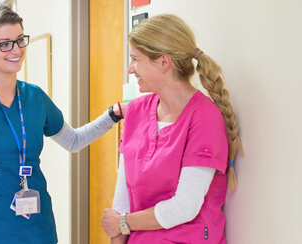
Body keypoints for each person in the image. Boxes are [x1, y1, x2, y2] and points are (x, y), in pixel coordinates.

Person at [0, 3, 124, 243]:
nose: (16, 49)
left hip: (38, 224)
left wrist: (112, 114)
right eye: (4, 43)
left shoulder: (34, 97)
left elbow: (73, 141)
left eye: (20, 40)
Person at [100, 14, 242, 243]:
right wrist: (120, 226)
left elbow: (184, 207)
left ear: (164, 62)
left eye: (135, 59)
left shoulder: (205, 118)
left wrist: (123, 222)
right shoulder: (135, 111)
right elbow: (122, 201)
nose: (130, 69)